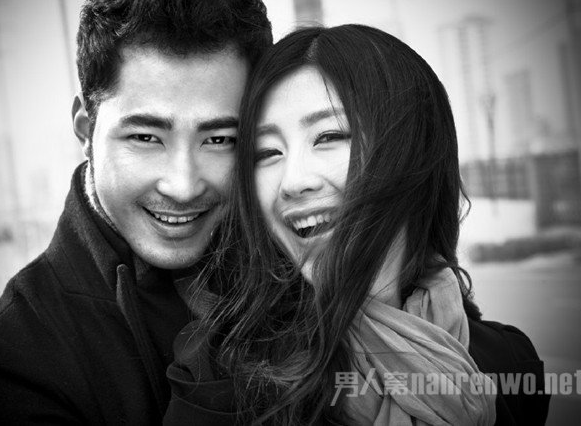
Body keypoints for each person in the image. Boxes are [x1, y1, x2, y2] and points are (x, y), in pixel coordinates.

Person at [166, 25, 550, 425]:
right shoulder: (222, 377)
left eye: (328, 136)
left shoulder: (509, 362)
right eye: (267, 153)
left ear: (410, 148)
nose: (293, 182)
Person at [0, 0, 271, 424]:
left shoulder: (299, 273)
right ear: (85, 130)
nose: (183, 186)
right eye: (145, 137)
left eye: (219, 139)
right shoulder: (8, 359)